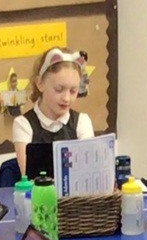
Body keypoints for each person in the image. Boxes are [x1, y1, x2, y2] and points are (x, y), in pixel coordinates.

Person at [9, 47, 92, 175]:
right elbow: (28, 175)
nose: (66, 98)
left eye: (73, 91)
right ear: (40, 83)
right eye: (59, 89)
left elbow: (88, 170)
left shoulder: (82, 122)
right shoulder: (23, 124)